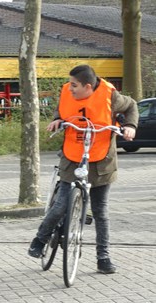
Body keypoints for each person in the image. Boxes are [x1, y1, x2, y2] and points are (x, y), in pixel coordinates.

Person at [28, 65, 137, 275]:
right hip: (73, 155)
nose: (70, 89)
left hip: (101, 158)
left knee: (100, 212)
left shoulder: (111, 97)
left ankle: (103, 258)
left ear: (88, 86)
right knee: (60, 205)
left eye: (75, 85)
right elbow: (61, 110)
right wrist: (56, 120)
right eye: (70, 84)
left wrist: (130, 125)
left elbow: (131, 106)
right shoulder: (67, 92)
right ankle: (40, 239)